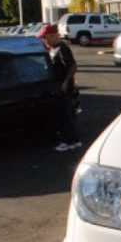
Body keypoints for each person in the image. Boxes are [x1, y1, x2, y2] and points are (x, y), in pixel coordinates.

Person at [37, 24, 82, 152]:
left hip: (64, 87)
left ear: (52, 36)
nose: (43, 40)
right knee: (63, 114)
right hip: (58, 86)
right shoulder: (53, 48)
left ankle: (70, 141)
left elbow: (73, 66)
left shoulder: (62, 49)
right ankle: (71, 140)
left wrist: (66, 82)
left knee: (65, 114)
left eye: (45, 38)